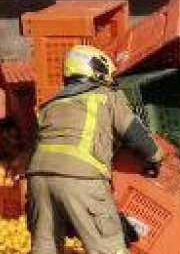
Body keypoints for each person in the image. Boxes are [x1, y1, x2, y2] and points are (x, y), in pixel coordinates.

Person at [26, 45, 164, 254]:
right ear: (96, 70)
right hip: (80, 179)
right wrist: (155, 157)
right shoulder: (105, 96)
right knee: (108, 248)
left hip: (38, 180)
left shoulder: (49, 105)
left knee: (45, 248)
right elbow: (134, 134)